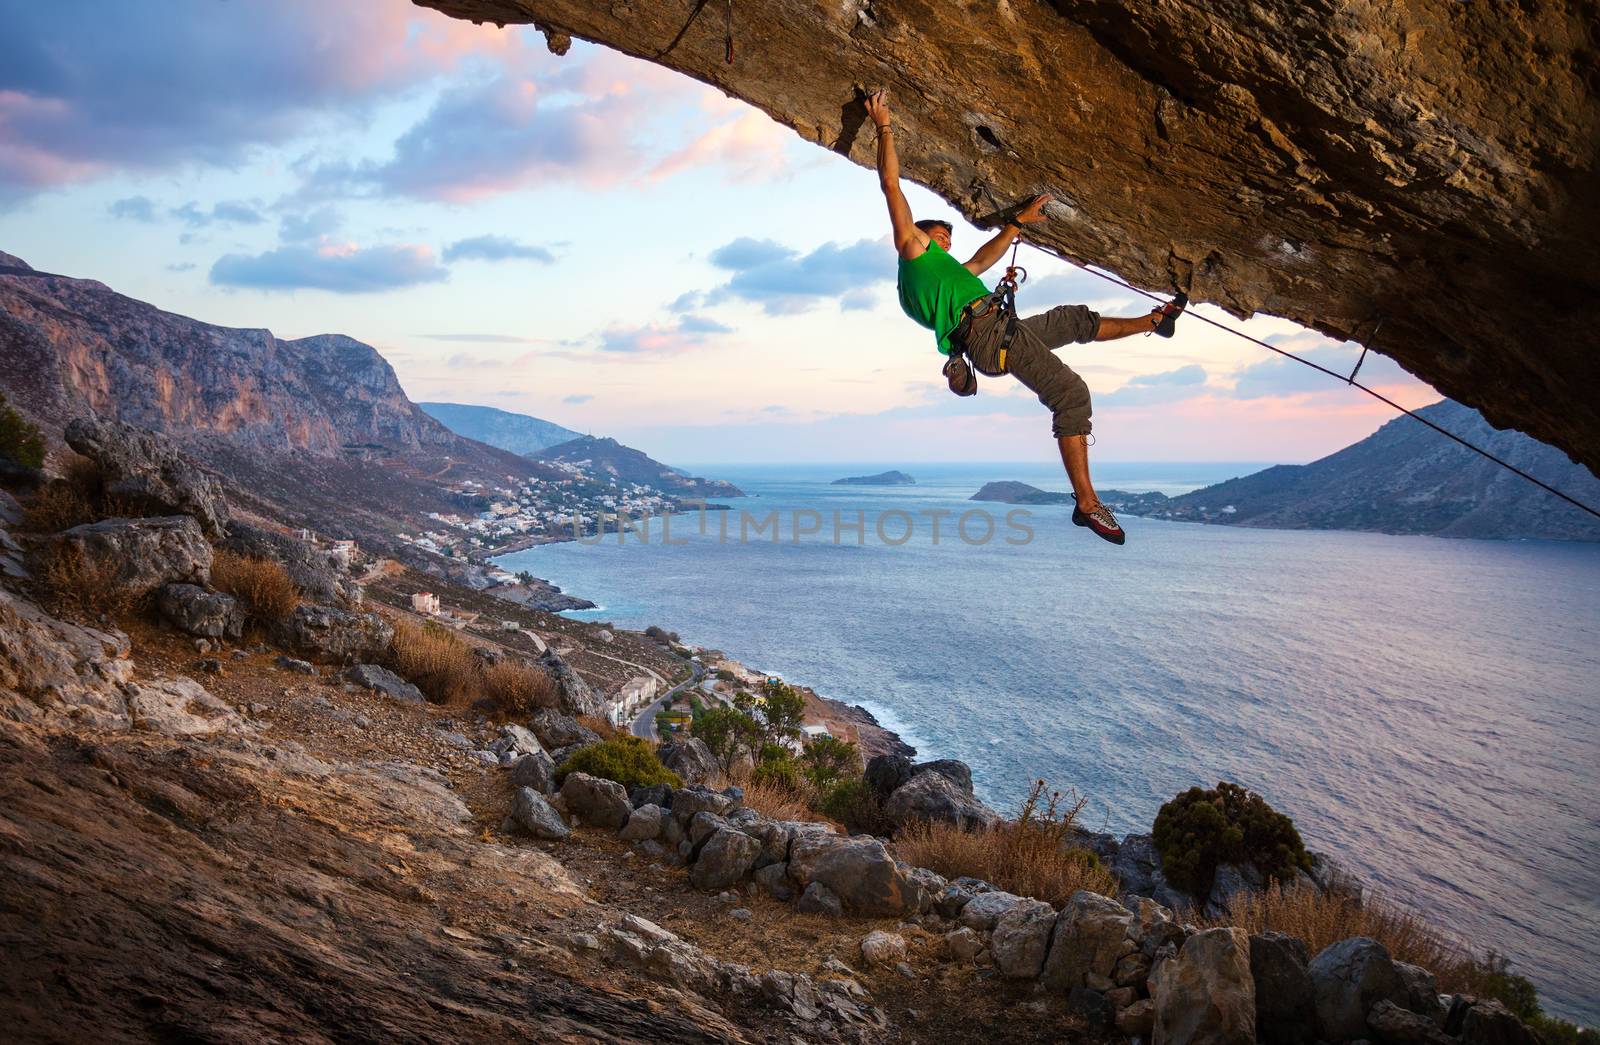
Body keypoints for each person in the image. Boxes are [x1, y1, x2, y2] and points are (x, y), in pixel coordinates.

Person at [865, 90, 1185, 546]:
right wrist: (883, 126)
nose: (947, 244)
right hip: (988, 333)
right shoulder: (913, 252)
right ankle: (1087, 504)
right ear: (923, 236)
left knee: (1073, 319)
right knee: (1071, 393)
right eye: (941, 235)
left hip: (995, 327)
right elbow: (891, 186)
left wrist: (1017, 223)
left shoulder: (949, 274)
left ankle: (1155, 322)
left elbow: (981, 258)